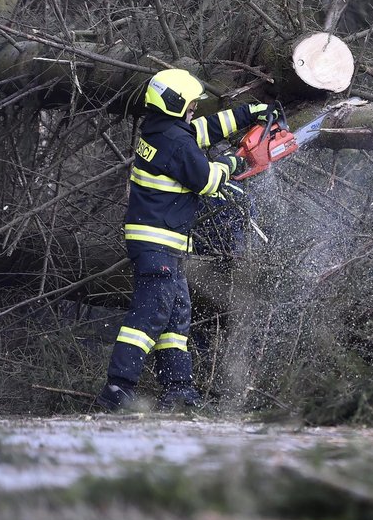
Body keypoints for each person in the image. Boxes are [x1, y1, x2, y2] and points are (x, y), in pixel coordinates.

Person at [95, 68, 273, 411]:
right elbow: (207, 180)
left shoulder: (165, 131)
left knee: (176, 319)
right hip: (157, 242)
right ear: (176, 104)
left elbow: (203, 130)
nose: (194, 110)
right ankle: (117, 390)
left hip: (164, 243)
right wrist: (233, 161)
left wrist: (250, 114)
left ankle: (179, 390)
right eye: (191, 105)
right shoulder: (175, 144)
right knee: (148, 317)